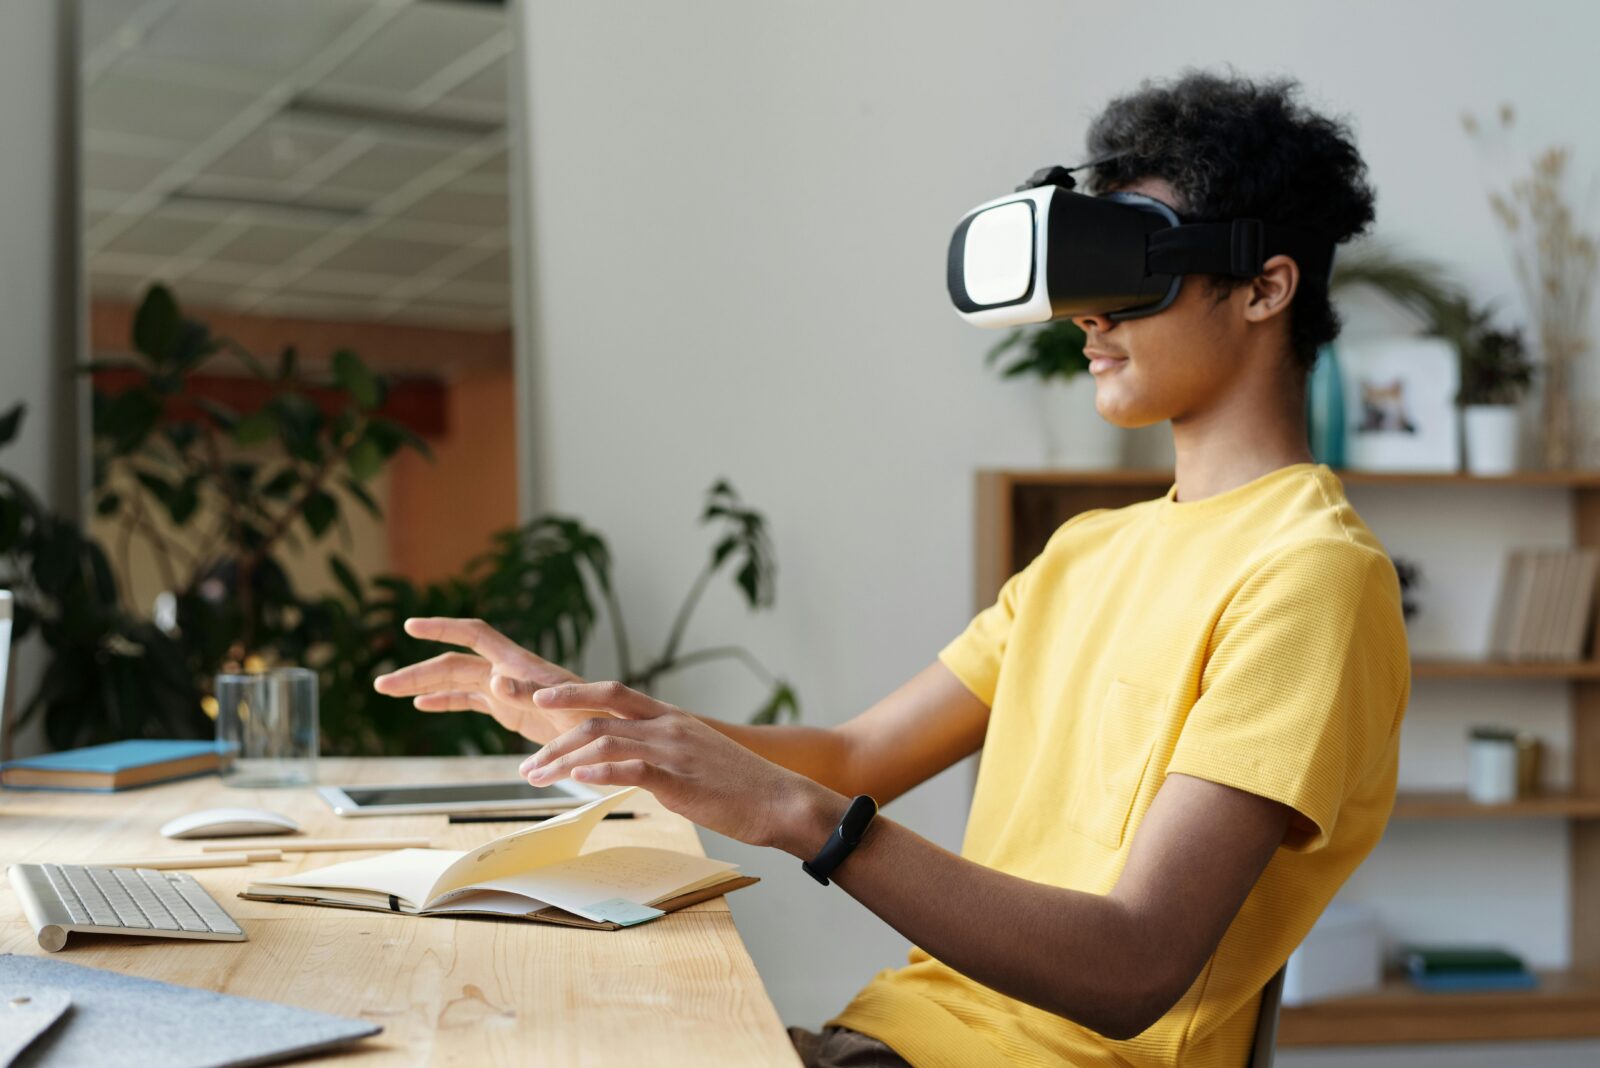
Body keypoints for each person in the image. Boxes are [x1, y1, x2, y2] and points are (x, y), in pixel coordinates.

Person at [373, 69, 1409, 1068]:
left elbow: (1135, 962)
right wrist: (613, 724)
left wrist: (806, 822)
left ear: (1264, 288)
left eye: (1130, 271)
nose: (1087, 316)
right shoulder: (1088, 552)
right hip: (884, 1038)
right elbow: (855, 754)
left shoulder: (1309, 574)